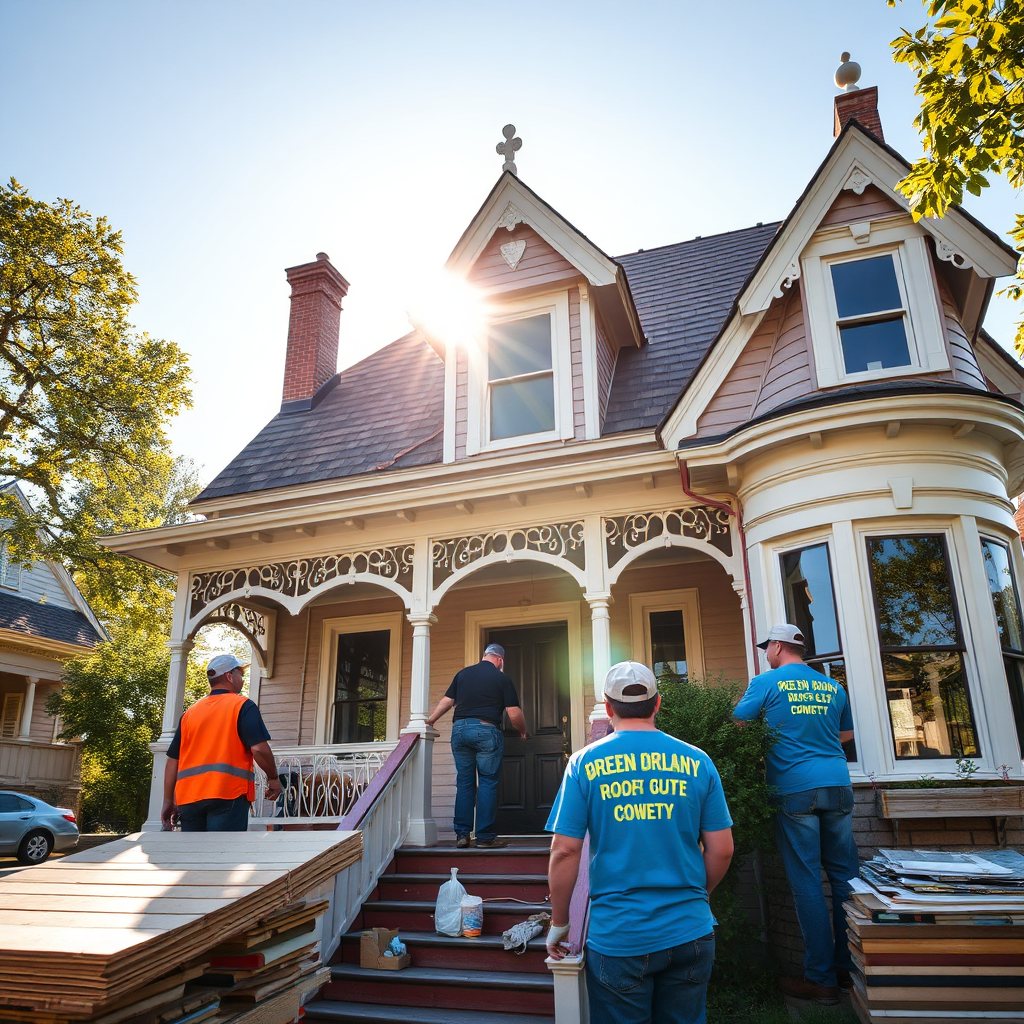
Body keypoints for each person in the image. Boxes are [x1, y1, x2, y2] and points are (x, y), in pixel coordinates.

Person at [545, 662, 734, 1024]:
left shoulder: (584, 763)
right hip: (691, 930)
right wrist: (699, 892)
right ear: (658, 704)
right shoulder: (698, 761)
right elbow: (722, 849)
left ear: (608, 706)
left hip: (620, 937)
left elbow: (565, 850)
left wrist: (560, 923)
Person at [733, 624, 858, 1004]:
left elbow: (738, 724)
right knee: (845, 881)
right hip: (838, 785)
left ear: (776, 646)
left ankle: (820, 980)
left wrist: (783, 739)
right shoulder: (832, 686)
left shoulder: (766, 681)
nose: (765, 654)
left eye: (766, 647)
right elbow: (847, 736)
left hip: (795, 788)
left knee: (806, 882)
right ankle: (849, 972)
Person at [161, 653, 282, 832]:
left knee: (195, 856)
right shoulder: (242, 705)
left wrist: (168, 800)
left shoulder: (190, 713)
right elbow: (258, 749)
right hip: (227, 794)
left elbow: (173, 760)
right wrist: (273, 779)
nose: (242, 678)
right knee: (223, 854)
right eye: (240, 673)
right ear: (229, 676)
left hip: (189, 798)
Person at [425, 643, 527, 849]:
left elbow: (447, 701)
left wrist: (431, 720)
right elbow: (514, 713)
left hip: (460, 731)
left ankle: (462, 835)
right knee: (487, 782)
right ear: (500, 660)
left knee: (464, 783)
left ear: (484, 656)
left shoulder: (463, 674)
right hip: (485, 730)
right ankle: (485, 837)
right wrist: (522, 731)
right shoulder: (501, 678)